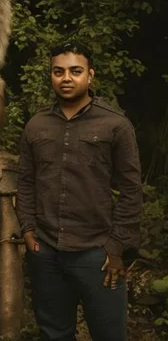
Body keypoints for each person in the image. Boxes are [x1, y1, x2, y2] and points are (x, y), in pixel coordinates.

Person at [16, 41, 142, 341]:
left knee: (109, 334)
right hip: (46, 250)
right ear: (51, 76)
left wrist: (116, 247)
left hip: (97, 253)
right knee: (54, 333)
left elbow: (131, 189)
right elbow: (26, 182)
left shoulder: (115, 125)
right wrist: (28, 229)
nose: (66, 78)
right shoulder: (36, 125)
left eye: (75, 71)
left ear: (90, 75)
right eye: (58, 71)